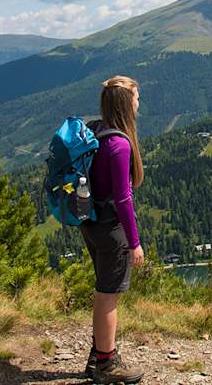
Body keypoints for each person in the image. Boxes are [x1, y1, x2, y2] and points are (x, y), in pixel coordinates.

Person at [82, 76, 146, 384]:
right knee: (108, 297)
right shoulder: (119, 144)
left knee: (103, 291)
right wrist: (134, 242)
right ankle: (106, 366)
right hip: (111, 230)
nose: (139, 103)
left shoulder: (95, 132)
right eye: (136, 98)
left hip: (91, 225)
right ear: (125, 104)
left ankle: (97, 356)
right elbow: (123, 198)